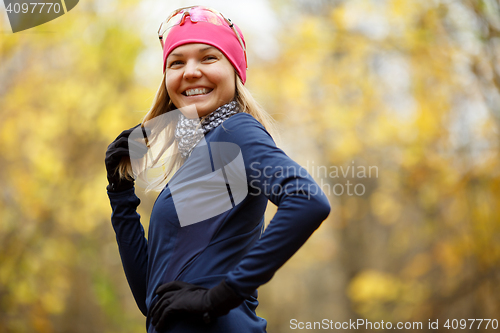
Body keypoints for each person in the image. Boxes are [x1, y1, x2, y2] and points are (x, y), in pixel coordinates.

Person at [105, 6, 330, 333]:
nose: (191, 71)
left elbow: (308, 201)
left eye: (208, 58)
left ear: (235, 70)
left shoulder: (234, 131)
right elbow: (153, 300)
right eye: (177, 62)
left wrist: (219, 297)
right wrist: (120, 192)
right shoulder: (204, 155)